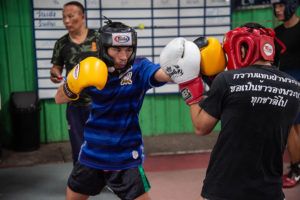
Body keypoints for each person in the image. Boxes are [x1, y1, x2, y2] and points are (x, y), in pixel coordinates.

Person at [160, 23, 300, 199]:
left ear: (243, 48)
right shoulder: (294, 87)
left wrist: (189, 84)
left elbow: (201, 126)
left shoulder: (227, 80)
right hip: (270, 189)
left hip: (225, 186)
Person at [54, 19, 187, 200]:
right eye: (117, 49)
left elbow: (161, 75)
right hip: (91, 154)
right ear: (103, 48)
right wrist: (74, 83)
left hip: (125, 158)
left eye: (128, 49)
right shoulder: (90, 68)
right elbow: (59, 98)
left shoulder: (139, 68)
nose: (124, 56)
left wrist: (184, 66)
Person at [50, 1, 99, 165]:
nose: (66, 21)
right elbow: (56, 68)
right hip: (74, 105)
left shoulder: (99, 38)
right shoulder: (61, 43)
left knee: (102, 145)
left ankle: (109, 180)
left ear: (82, 17)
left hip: (100, 103)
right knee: (78, 148)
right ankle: (81, 185)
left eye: (71, 16)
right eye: (64, 17)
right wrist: (55, 74)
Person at [272, 0, 300, 188]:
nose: (278, 10)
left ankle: (296, 169)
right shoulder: (277, 32)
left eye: (281, 5)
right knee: (293, 128)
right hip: (286, 80)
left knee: (292, 128)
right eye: (276, 7)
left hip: (297, 79)